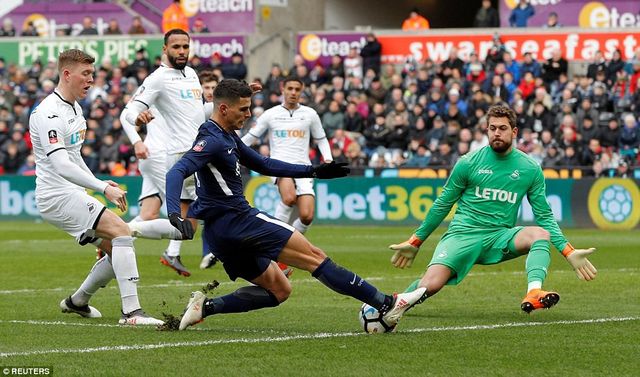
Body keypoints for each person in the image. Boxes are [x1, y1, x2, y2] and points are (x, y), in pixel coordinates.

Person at [167, 79, 426, 331]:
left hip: (219, 234)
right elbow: (176, 172)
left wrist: (313, 171)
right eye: (244, 109)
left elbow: (264, 164)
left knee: (280, 290)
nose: (248, 114)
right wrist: (174, 213)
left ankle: (205, 308)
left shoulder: (226, 136)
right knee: (315, 257)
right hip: (238, 220)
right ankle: (387, 303)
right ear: (224, 109)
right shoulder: (213, 140)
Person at [388, 105, 597, 317]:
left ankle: (534, 291)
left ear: (514, 132)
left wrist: (567, 251)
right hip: (463, 235)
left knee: (540, 234)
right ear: (487, 130)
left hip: (499, 237)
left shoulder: (530, 168)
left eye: (503, 128)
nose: (497, 133)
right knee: (429, 286)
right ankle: (391, 304)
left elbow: (544, 215)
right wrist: (416, 240)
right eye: (492, 128)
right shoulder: (468, 163)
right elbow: (443, 204)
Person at [30, 49, 186, 325]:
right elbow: (62, 165)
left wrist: (98, 183)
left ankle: (77, 301)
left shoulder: (75, 108)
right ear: (67, 74)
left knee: (118, 247)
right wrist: (102, 187)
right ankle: (132, 314)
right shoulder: (49, 113)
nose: (92, 79)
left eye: (93, 73)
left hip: (69, 193)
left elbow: (75, 158)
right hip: (56, 195)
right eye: (86, 74)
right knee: (122, 231)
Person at [120, 29, 211, 276]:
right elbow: (127, 111)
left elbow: (198, 112)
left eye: (185, 46)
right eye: (176, 47)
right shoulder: (158, 79)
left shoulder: (191, 74)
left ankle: (120, 232)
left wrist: (232, 102)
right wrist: (136, 126)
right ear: (164, 49)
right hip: (176, 156)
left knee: (175, 221)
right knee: (204, 212)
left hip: (192, 152)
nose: (182, 51)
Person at [241, 76, 333, 277]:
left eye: (296, 89)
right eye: (289, 88)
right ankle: (274, 247)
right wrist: (232, 149)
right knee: (289, 198)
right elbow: (251, 137)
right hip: (279, 166)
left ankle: (284, 247)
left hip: (304, 168)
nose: (293, 92)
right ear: (283, 89)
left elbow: (321, 139)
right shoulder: (270, 114)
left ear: (302, 91)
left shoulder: (310, 114)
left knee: (307, 216)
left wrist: (328, 159)